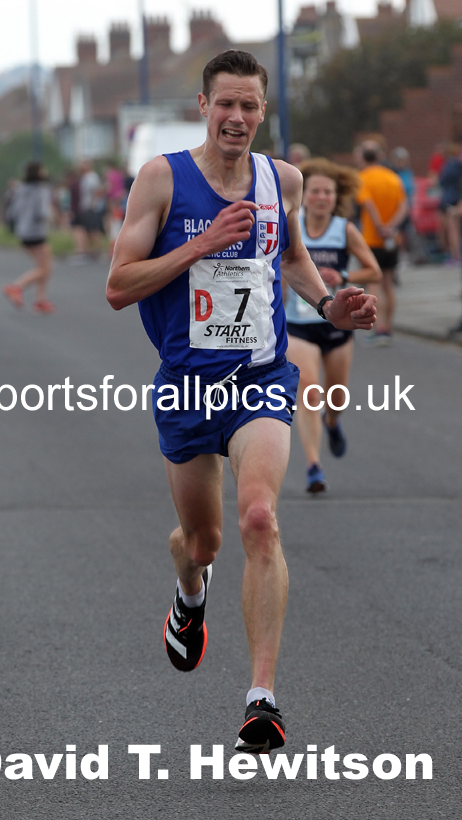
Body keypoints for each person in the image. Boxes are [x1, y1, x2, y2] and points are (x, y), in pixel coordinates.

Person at [106, 50, 376, 754]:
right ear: (202, 106)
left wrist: (328, 301)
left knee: (259, 518)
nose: (236, 117)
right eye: (224, 104)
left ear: (262, 112)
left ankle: (261, 698)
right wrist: (196, 250)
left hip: (260, 378)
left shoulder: (280, 179)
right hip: (189, 384)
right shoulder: (161, 178)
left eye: (249, 106)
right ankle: (189, 595)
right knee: (204, 542)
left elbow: (287, 258)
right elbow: (118, 284)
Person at [285, 158, 381, 493]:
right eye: (315, 191)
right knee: (308, 389)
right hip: (298, 322)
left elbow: (374, 270)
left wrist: (342, 276)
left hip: (338, 325)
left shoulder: (345, 230)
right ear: (304, 195)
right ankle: (314, 465)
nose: (322, 197)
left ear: (335, 196)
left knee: (335, 398)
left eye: (328, 192)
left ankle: (333, 421)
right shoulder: (290, 225)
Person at [356, 140, 408, 345]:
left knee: (373, 283)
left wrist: (379, 226)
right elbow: (404, 206)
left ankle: (379, 329)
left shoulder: (363, 178)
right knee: (388, 283)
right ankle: (389, 327)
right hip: (391, 239)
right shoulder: (393, 177)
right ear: (379, 156)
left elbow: (367, 204)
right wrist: (391, 227)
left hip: (372, 238)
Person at [2, 161, 55, 314]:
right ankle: (17, 286)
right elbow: (42, 212)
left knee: (44, 267)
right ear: (39, 172)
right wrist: (52, 216)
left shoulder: (21, 189)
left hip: (23, 231)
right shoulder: (42, 189)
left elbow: (12, 212)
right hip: (37, 232)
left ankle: (40, 299)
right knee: (44, 268)